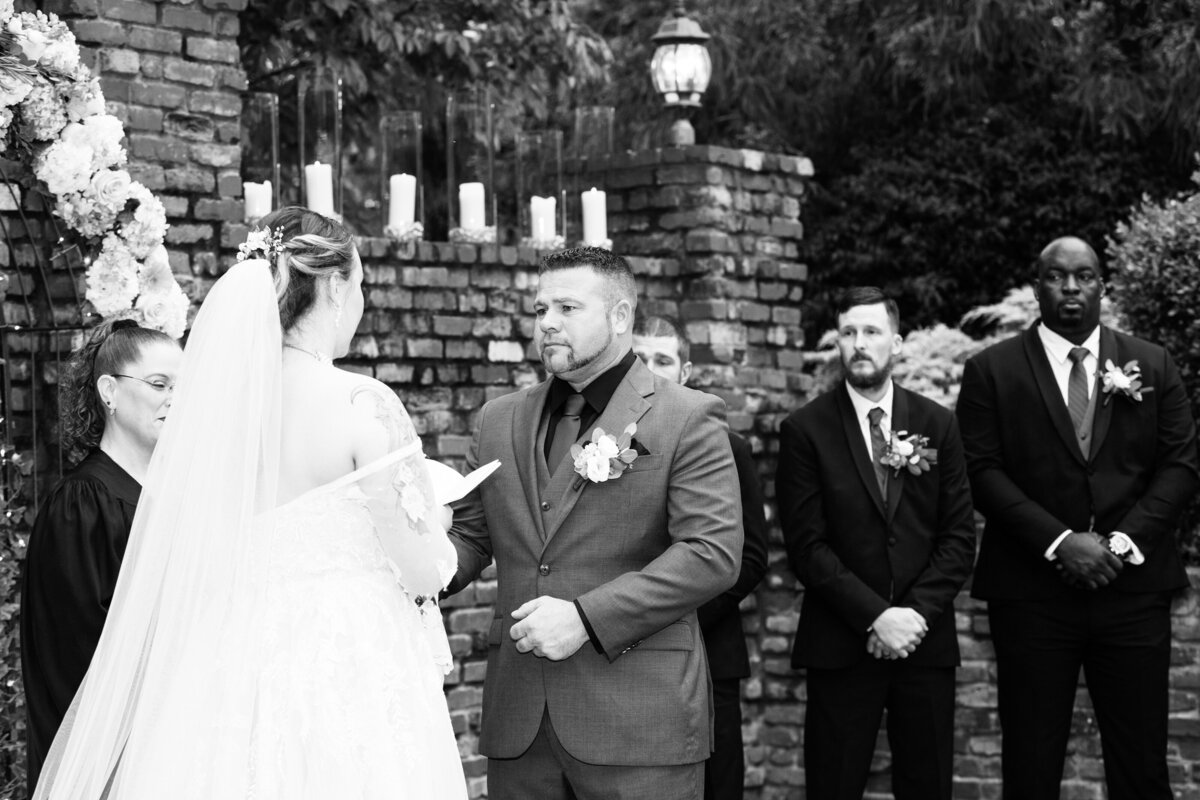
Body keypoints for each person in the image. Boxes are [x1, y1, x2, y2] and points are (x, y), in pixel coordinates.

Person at [33, 207, 466, 799]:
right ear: (336, 286)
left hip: (229, 664)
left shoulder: (211, 419)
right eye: (361, 286)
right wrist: (437, 519)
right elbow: (424, 570)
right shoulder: (363, 403)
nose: (361, 303)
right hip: (345, 665)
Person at [446, 246, 743, 800]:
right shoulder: (498, 419)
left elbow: (711, 553)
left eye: (566, 307)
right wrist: (409, 554)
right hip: (520, 724)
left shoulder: (688, 415)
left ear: (620, 316)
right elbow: (469, 537)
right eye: (539, 310)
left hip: (638, 721)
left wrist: (586, 617)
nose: (548, 324)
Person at [956, 236, 1199, 800]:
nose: (1071, 288)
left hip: (1134, 592)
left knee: (1141, 766)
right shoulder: (991, 370)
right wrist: (1061, 541)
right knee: (1030, 764)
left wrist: (1117, 545)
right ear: (1037, 285)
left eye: (1084, 276)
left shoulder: (1152, 363)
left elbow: (1181, 466)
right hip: (1033, 595)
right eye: (1058, 277)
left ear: (1102, 287)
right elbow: (981, 472)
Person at [776, 286, 976, 800]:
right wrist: (875, 616)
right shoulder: (805, 430)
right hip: (841, 645)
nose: (859, 343)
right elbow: (807, 546)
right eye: (848, 333)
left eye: (871, 332)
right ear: (838, 343)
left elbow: (957, 540)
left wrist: (909, 618)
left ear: (898, 342)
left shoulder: (938, 424)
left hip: (923, 642)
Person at [21, 320, 181, 794]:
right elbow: (77, 660)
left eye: (185, 386)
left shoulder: (169, 500)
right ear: (109, 391)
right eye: (159, 384)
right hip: (111, 761)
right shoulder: (83, 505)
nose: (177, 398)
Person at [632, 315, 768, 800]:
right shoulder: (599, 444)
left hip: (709, 651)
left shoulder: (727, 445)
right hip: (619, 663)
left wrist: (665, 617)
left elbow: (750, 556)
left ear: (685, 372)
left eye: (663, 360)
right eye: (640, 357)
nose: (650, 369)